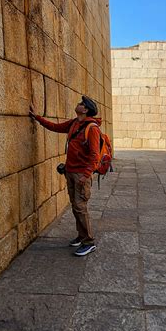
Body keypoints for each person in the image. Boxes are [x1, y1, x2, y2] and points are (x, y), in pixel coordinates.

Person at [29, 95, 101, 256]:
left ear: (86, 109)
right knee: (75, 206)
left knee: (81, 207)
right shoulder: (75, 123)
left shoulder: (92, 128)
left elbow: (95, 155)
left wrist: (86, 175)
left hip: (81, 174)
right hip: (71, 171)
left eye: (82, 103)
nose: (78, 104)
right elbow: (55, 127)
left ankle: (89, 242)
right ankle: (81, 236)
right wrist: (37, 117)